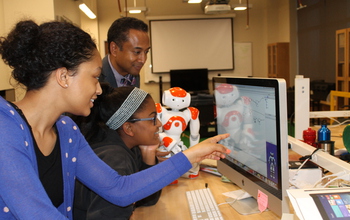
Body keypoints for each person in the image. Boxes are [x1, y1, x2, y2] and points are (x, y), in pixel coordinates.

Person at [0, 19, 230, 220]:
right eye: (94, 77)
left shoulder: (66, 130)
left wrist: (192, 154)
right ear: (63, 77)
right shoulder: (5, 130)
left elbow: (119, 188)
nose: (99, 89)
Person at [73, 84, 163, 219]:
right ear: (128, 128)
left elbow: (147, 198)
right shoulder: (115, 160)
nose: (159, 124)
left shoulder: (126, 146)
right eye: (153, 119)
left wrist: (148, 153)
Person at [100, 17, 150, 88]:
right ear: (114, 49)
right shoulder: (96, 79)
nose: (143, 60)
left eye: (146, 52)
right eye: (137, 52)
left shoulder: (133, 73)